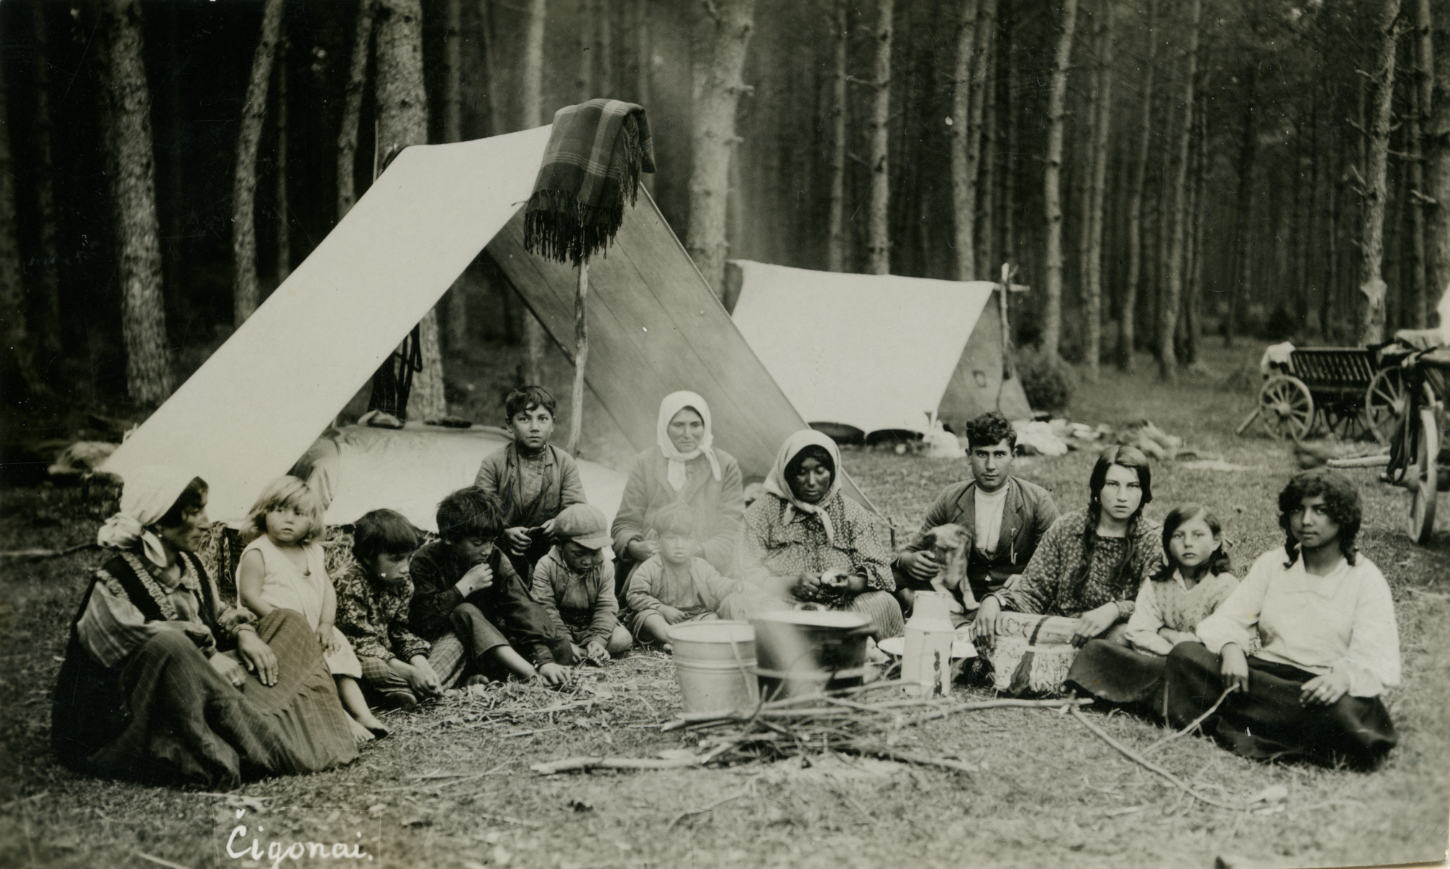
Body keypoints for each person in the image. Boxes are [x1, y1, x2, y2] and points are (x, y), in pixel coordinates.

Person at [52, 467, 358, 787]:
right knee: (170, 646)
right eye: (194, 512)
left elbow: (221, 613)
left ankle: (266, 726)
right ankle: (255, 738)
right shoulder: (115, 578)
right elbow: (128, 642)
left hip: (200, 684)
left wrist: (244, 634)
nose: (205, 522)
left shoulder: (191, 564)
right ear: (160, 520)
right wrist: (207, 654)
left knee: (289, 623)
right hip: (135, 710)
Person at [1162, 469, 1400, 770]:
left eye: (1320, 510)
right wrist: (1231, 648)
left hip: (1319, 688)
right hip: (1264, 678)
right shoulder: (1273, 564)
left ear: (1343, 517)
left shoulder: (1365, 579)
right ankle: (1277, 729)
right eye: (1298, 510)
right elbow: (1229, 619)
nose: (1306, 520)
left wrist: (1343, 678)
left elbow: (1376, 656)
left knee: (1342, 714)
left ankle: (1241, 721)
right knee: (1186, 656)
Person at [237, 477, 383, 743]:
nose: (288, 519)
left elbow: (327, 590)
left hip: (315, 628)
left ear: (312, 521)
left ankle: (363, 713)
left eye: (299, 513)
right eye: (279, 510)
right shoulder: (258, 552)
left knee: (339, 660)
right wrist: (290, 626)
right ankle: (342, 718)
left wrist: (326, 625)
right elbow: (249, 597)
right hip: (277, 633)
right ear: (264, 512)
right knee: (312, 673)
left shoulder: (313, 551)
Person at [974, 445, 1163, 650]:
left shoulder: (1152, 538)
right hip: (1061, 629)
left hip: (1113, 634)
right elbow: (1032, 592)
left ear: (1144, 491)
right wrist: (995, 601)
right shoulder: (1067, 528)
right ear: (1098, 488)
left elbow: (1155, 605)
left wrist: (1114, 610)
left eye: (1133, 486)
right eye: (1112, 484)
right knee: (999, 621)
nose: (1122, 496)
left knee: (1122, 639)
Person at [1066, 503, 1238, 711]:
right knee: (1098, 649)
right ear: (1166, 543)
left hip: (1201, 668)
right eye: (1178, 536)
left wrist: (1170, 635)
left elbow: (1217, 642)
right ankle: (1155, 697)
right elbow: (1138, 630)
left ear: (1216, 541)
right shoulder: (1157, 584)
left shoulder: (1225, 585)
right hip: (1161, 661)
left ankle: (1145, 698)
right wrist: (1170, 651)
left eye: (1198, 535)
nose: (1188, 543)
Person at [894, 411, 1059, 620]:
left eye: (999, 454)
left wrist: (1028, 578)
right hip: (961, 598)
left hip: (1011, 600)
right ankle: (952, 620)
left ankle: (945, 620)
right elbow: (913, 549)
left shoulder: (1037, 500)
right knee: (894, 577)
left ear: (1013, 456)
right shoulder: (951, 498)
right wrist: (908, 560)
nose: (990, 465)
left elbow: (1056, 562)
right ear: (968, 455)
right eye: (982, 454)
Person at [740, 430, 904, 639]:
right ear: (786, 472)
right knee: (740, 601)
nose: (811, 481)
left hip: (842, 613)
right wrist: (789, 584)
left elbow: (880, 572)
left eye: (820, 471)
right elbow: (744, 571)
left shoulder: (851, 512)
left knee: (885, 603)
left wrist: (850, 584)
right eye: (801, 472)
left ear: (833, 471)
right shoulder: (762, 512)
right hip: (782, 610)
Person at [408, 487, 572, 687]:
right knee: (465, 610)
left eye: (491, 541)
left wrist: (544, 660)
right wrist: (463, 587)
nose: (486, 550)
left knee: (560, 648)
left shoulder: (494, 556)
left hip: (493, 642)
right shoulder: (425, 560)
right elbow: (422, 618)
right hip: (450, 643)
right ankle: (529, 675)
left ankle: (495, 673)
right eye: (478, 543)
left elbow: (519, 604)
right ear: (450, 538)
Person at [611, 391, 744, 596]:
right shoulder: (645, 463)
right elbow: (624, 523)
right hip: (649, 570)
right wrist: (634, 547)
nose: (688, 434)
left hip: (707, 572)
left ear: (705, 425)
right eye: (678, 425)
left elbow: (731, 531)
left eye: (695, 425)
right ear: (665, 425)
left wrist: (693, 551)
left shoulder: (725, 465)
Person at [335, 509, 462, 710]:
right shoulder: (348, 582)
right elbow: (360, 642)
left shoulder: (403, 582)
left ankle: (417, 689)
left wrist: (422, 667)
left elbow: (400, 631)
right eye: (395, 559)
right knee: (371, 666)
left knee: (454, 640)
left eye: (409, 558)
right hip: (364, 658)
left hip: (393, 659)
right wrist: (410, 673)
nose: (405, 567)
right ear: (368, 557)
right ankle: (417, 690)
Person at [474, 385, 586, 581]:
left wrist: (560, 523)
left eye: (542, 419)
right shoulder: (494, 463)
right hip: (503, 552)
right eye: (524, 419)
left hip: (551, 552)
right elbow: (478, 513)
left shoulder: (565, 463)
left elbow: (577, 509)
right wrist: (504, 533)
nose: (534, 427)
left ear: (553, 424)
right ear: (509, 424)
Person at [626, 502, 746, 648]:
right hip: (663, 619)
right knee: (649, 618)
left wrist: (734, 585)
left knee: (712, 618)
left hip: (693, 618)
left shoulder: (701, 566)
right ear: (658, 539)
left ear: (696, 541)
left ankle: (690, 641)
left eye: (687, 539)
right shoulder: (650, 567)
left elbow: (717, 584)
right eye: (671, 538)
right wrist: (661, 609)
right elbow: (634, 595)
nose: (679, 545)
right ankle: (671, 638)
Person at [530, 504, 634, 664]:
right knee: (535, 640)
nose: (587, 561)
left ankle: (587, 652)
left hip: (590, 626)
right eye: (578, 554)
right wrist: (565, 641)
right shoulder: (545, 566)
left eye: (595, 553)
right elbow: (545, 609)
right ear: (559, 544)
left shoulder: (605, 566)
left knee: (623, 638)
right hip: (557, 628)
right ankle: (572, 651)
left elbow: (605, 607)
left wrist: (597, 640)